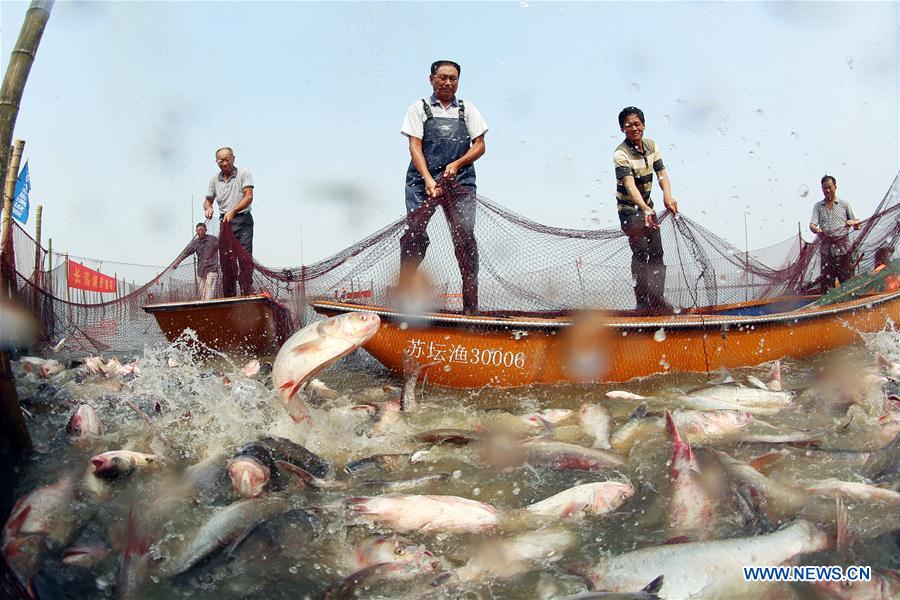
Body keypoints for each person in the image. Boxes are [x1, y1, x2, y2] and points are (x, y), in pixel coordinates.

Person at [398, 60, 488, 315]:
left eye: (453, 78)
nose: (448, 83)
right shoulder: (419, 108)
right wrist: (428, 178)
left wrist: (458, 163)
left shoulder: (467, 109)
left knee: (465, 239)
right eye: (443, 78)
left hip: (459, 180)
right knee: (414, 233)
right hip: (421, 180)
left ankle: (471, 309)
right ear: (431, 79)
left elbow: (480, 145)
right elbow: (415, 145)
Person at [613, 107, 678, 314]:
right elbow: (630, 185)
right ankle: (642, 302)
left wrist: (667, 195)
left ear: (643, 125)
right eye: (629, 125)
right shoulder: (620, 154)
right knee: (640, 251)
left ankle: (657, 300)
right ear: (622, 128)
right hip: (629, 210)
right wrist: (643, 208)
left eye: (637, 124)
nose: (634, 128)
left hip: (648, 208)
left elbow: (662, 174)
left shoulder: (651, 146)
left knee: (657, 251)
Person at [204, 147, 254, 296]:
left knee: (244, 259)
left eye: (227, 159)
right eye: (221, 160)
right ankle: (229, 296)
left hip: (243, 220)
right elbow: (207, 200)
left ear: (233, 158)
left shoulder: (244, 174)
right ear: (216, 162)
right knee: (227, 263)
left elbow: (248, 196)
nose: (224, 163)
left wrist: (233, 211)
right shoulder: (214, 179)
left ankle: (246, 292)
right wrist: (209, 208)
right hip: (225, 223)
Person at [809, 175, 860, 292]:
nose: (827, 190)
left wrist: (852, 222)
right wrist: (817, 230)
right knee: (827, 287)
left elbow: (858, 225)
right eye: (824, 188)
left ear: (835, 187)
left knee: (847, 285)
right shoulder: (818, 206)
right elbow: (812, 225)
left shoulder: (844, 204)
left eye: (829, 187)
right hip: (826, 252)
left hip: (843, 252)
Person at [172, 223, 219, 300]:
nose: (200, 232)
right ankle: (204, 310)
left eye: (201, 230)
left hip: (212, 269)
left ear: (205, 230)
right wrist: (177, 263)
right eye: (198, 230)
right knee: (202, 295)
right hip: (201, 272)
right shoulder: (195, 242)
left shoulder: (213, 239)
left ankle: (209, 309)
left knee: (209, 294)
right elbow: (185, 253)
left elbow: (223, 247)